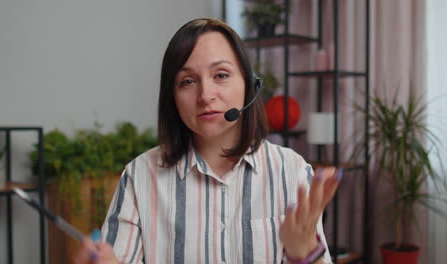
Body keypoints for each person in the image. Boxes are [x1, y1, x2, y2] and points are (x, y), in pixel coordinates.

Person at [74, 18, 340, 264]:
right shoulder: (139, 176)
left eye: (221, 75)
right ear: (173, 97)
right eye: (188, 81)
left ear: (248, 84)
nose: (205, 95)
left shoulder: (291, 171)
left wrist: (305, 254)